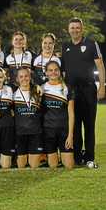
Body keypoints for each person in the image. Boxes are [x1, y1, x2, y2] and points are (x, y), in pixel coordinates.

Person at [61, 17, 105, 168]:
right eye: (72, 27)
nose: (75, 30)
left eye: (77, 27)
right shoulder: (65, 46)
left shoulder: (92, 44)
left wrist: (102, 86)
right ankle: (78, 156)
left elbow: (100, 66)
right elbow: (65, 72)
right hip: (72, 91)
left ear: (82, 28)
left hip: (88, 89)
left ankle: (90, 158)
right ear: (68, 30)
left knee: (89, 125)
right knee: (75, 125)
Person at [41, 61, 74, 169]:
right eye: (50, 70)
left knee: (69, 165)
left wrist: (70, 135)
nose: (53, 72)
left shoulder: (66, 88)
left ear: (60, 71)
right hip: (48, 130)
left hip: (64, 130)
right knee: (53, 166)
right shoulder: (41, 88)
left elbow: (71, 113)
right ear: (46, 73)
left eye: (56, 70)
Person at [13, 68, 43, 168]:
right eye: (21, 77)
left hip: (35, 132)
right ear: (17, 79)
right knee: (21, 166)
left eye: (26, 76)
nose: (24, 79)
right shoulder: (12, 93)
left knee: (34, 165)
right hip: (20, 133)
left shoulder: (38, 91)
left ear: (30, 77)